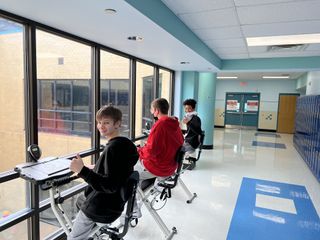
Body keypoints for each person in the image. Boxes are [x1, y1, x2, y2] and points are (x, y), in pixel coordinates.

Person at [68, 105, 139, 240]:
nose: (101, 126)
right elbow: (116, 169)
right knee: (79, 199)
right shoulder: (126, 145)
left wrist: (82, 171)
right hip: (115, 206)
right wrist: (97, 168)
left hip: (100, 208)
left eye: (106, 122)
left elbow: (109, 185)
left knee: (73, 238)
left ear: (117, 124)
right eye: (99, 122)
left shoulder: (112, 148)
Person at [133, 98, 184, 219]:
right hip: (170, 166)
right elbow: (179, 142)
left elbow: (151, 152)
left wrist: (139, 151)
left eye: (152, 110)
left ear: (156, 111)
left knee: (128, 174)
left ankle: (134, 209)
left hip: (158, 167)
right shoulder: (175, 124)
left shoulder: (160, 125)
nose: (151, 112)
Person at [182, 99, 202, 164]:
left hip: (192, 142)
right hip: (189, 140)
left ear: (193, 108)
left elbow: (198, 131)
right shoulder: (189, 117)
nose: (187, 110)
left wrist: (188, 123)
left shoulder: (196, 118)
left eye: (189, 108)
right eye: (186, 108)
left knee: (175, 148)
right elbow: (189, 130)